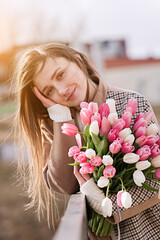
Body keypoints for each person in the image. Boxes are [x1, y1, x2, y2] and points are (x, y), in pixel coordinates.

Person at [12, 42, 160, 240]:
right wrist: (61, 117)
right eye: (49, 91)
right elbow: (65, 184)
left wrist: (106, 205)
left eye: (61, 75)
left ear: (77, 59)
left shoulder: (130, 103)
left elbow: (156, 178)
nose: (61, 90)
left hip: (146, 229)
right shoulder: (56, 124)